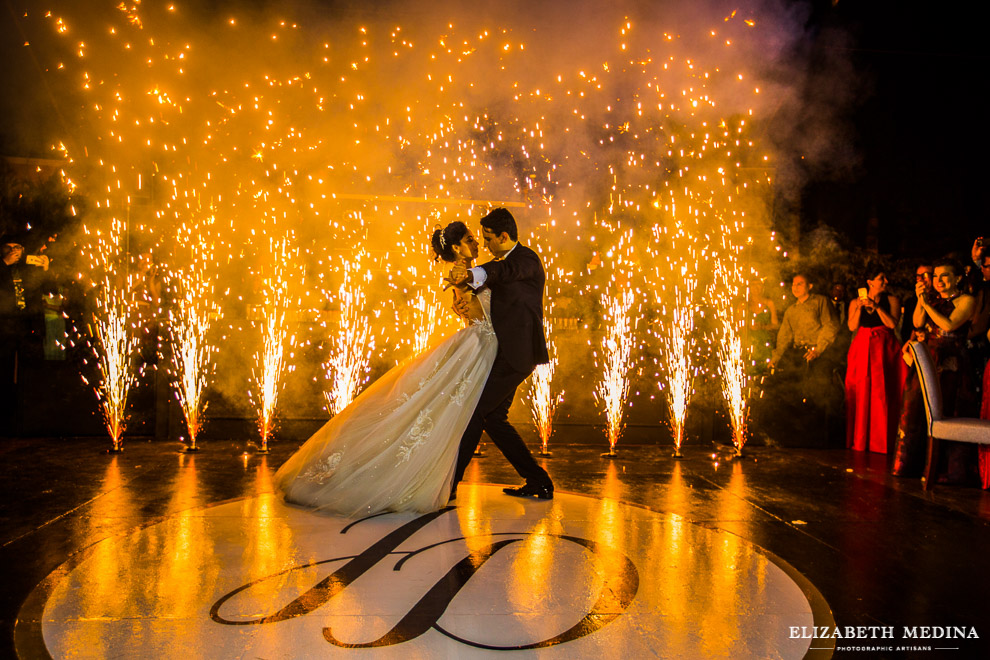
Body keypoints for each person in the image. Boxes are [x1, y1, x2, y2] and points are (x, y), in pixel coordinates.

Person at [274, 221, 498, 516]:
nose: (477, 243)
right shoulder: (462, 277)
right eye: (471, 239)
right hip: (478, 346)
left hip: (477, 345)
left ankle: (449, 479)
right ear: (457, 247)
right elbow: (478, 313)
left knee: (448, 412)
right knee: (445, 412)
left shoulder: (472, 274)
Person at [448, 208, 554, 499]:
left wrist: (474, 273)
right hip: (504, 353)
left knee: (476, 412)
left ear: (504, 236)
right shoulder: (496, 265)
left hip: (517, 355)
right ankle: (538, 481)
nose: (486, 244)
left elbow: (502, 273)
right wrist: (462, 301)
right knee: (493, 419)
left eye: (489, 238)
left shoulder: (526, 260)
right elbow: (481, 291)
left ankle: (449, 486)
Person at [893, 258, 977, 482]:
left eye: (945, 276)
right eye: (936, 276)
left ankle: (946, 471)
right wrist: (922, 300)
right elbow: (918, 323)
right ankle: (913, 465)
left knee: (948, 409)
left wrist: (928, 304)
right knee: (917, 410)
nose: (938, 281)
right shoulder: (932, 299)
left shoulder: (966, 300)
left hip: (951, 363)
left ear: (957, 278)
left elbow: (948, 325)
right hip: (928, 360)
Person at [760, 273, 840, 446]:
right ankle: (800, 438)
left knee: (819, 395)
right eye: (793, 284)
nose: (795, 287)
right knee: (798, 394)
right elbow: (784, 336)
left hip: (819, 353)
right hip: (799, 354)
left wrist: (818, 349)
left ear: (809, 286)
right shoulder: (791, 310)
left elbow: (830, 325)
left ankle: (820, 440)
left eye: (800, 284)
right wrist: (776, 357)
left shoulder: (820, 302)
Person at [845, 264, 901, 453]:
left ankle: (882, 441)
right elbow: (852, 326)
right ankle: (860, 440)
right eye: (881, 278)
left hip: (884, 349)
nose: (886, 281)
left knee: (882, 393)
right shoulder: (855, 302)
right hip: (862, 348)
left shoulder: (892, 300)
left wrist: (876, 307)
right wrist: (860, 308)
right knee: (861, 393)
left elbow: (892, 324)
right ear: (870, 282)